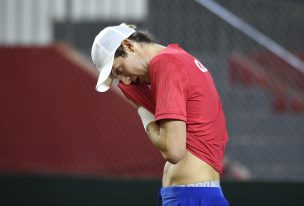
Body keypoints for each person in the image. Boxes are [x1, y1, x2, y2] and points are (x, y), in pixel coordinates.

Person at [91, 23, 230, 206]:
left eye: (119, 70)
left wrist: (144, 116)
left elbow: (173, 151)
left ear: (129, 45)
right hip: (196, 194)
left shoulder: (165, 64)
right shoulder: (177, 59)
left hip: (191, 197)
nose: (125, 80)